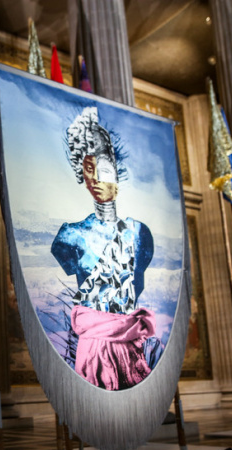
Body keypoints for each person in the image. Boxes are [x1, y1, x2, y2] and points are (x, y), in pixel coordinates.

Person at [51, 107, 159, 391]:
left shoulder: (138, 233)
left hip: (130, 344)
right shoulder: (71, 236)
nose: (97, 178)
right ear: (81, 175)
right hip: (93, 346)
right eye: (89, 169)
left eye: (104, 168)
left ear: (117, 172)